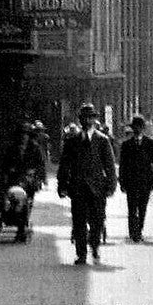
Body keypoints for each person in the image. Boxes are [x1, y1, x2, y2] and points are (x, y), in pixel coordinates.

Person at [57, 104, 117, 264]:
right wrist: (62, 185)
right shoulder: (72, 141)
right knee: (79, 221)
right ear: (80, 120)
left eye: (90, 117)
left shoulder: (102, 140)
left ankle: (95, 246)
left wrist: (112, 185)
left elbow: (109, 165)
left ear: (94, 119)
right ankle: (81, 253)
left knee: (97, 220)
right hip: (78, 188)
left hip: (98, 188)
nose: (87, 120)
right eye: (84, 117)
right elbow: (65, 165)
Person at [119, 116, 153, 242]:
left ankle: (139, 229)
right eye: (135, 127)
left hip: (145, 180)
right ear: (132, 129)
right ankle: (133, 232)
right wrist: (121, 181)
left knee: (142, 207)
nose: (137, 129)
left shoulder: (150, 143)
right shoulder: (126, 145)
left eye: (139, 127)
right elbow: (123, 165)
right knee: (132, 208)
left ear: (143, 128)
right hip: (131, 181)